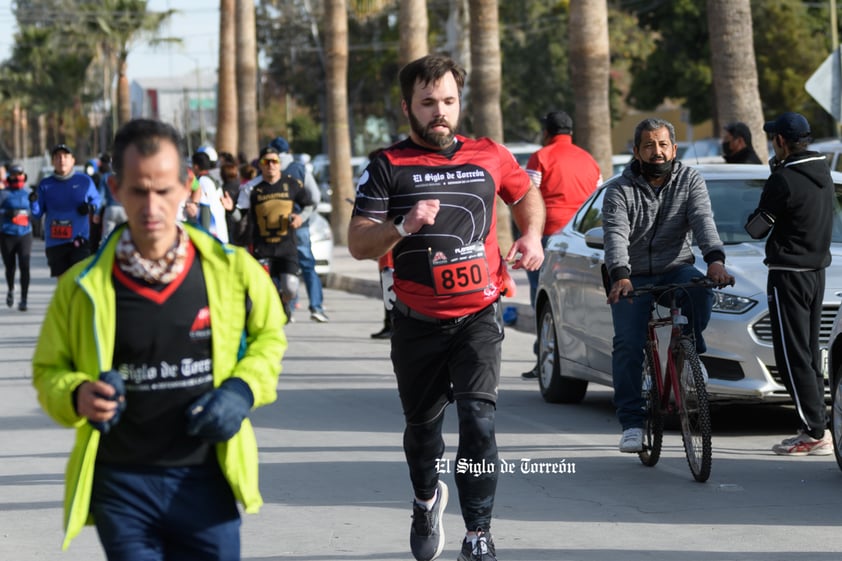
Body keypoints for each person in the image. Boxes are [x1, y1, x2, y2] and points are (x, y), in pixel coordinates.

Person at [31, 118, 287, 558]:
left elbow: (269, 337)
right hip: (123, 488)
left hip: (207, 482)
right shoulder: (81, 285)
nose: (152, 206)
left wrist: (243, 389)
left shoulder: (233, 270)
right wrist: (77, 396)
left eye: (164, 190)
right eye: (138, 190)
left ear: (186, 186)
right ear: (115, 189)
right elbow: (48, 370)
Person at [348, 54, 545, 561]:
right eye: (428, 102)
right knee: (423, 432)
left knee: (479, 421)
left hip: (478, 316)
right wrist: (401, 227)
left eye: (449, 101)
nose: (440, 111)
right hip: (417, 323)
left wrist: (531, 235)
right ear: (407, 107)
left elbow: (526, 196)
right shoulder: (387, 165)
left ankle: (478, 531)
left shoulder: (489, 154)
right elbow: (358, 243)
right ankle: (425, 497)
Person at [603, 117, 734, 454]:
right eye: (649, 145)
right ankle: (632, 422)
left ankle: (692, 350)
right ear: (636, 151)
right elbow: (615, 234)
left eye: (663, 145)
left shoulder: (690, 179)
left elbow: (703, 219)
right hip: (631, 276)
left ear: (674, 149)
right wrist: (620, 274)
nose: (657, 151)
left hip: (676, 268)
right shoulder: (619, 188)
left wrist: (715, 260)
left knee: (700, 288)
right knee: (628, 345)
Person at [746, 112, 833, 456]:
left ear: (780, 141)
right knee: (810, 353)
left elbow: (757, 227)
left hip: (788, 274)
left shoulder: (783, 179)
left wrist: (772, 181)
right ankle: (816, 424)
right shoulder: (823, 172)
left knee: (791, 355)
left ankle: (814, 432)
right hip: (816, 271)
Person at [520, 110, 602, 379]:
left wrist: (525, 234)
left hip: (549, 237)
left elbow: (525, 196)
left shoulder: (541, 157)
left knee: (541, 297)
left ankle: (545, 355)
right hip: (583, 240)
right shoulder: (589, 160)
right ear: (570, 132)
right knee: (576, 300)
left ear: (547, 132)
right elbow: (598, 198)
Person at [247, 145, 314, 324]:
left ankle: (284, 302)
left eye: (274, 161)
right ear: (260, 165)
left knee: (291, 288)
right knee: (264, 288)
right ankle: (275, 308)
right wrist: (230, 211)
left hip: (287, 246)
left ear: (279, 164)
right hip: (262, 246)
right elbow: (241, 214)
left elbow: (309, 204)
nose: (270, 165)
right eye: (266, 162)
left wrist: (300, 217)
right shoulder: (253, 189)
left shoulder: (291, 184)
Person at [270, 136, 330, 323]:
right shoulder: (300, 169)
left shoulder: (268, 167)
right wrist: (303, 216)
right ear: (288, 151)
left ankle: (286, 309)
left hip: (276, 227)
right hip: (300, 225)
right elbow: (315, 197)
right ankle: (316, 307)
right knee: (307, 266)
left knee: (281, 267)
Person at [31, 143, 101, 277]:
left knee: (79, 279)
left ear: (73, 160)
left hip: (79, 240)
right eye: (57, 157)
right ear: (53, 161)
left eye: (65, 156)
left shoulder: (84, 181)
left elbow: (97, 200)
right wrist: (33, 201)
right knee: (63, 281)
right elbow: (37, 214)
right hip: (55, 242)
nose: (61, 160)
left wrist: (90, 207)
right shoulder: (45, 185)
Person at [0, 164, 38, 310]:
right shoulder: (3, 194)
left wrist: (32, 209)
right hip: (7, 234)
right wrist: (7, 213)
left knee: (25, 266)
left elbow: (37, 213)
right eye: (14, 175)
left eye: (20, 174)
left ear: (24, 176)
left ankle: (24, 299)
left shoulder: (29, 192)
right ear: (10, 177)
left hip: (25, 234)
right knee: (10, 267)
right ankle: (10, 289)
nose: (17, 177)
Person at [189, 151, 232, 243]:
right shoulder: (212, 179)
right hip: (221, 233)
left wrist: (204, 236)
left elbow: (205, 207)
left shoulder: (202, 182)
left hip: (213, 236)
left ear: (196, 166)